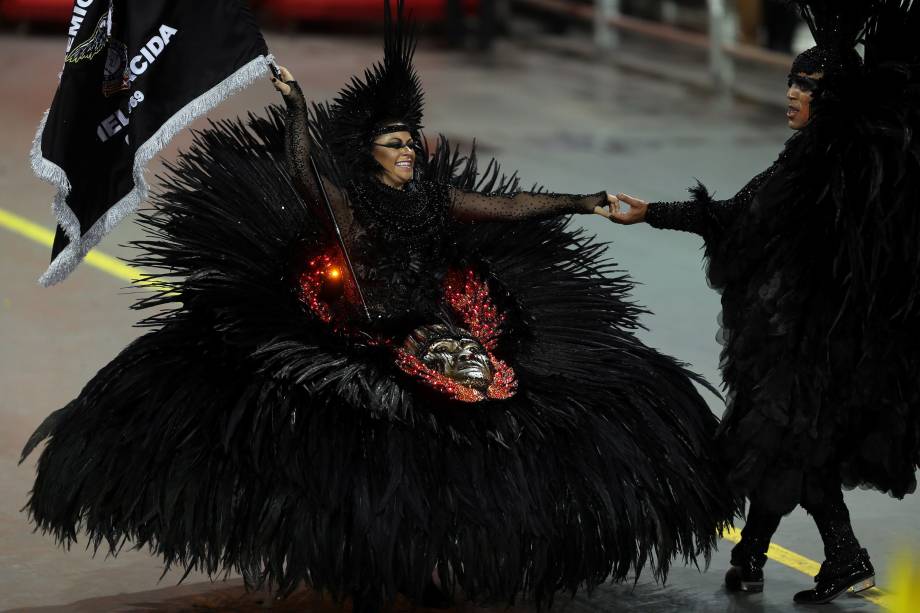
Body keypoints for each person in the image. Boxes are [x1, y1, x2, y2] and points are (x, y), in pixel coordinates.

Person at [20, 1, 738, 610]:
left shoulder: (432, 194)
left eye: (411, 141)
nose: (408, 150)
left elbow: (509, 204)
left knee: (486, 426)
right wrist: (298, 108)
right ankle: (373, 565)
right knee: (370, 455)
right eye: (396, 142)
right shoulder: (351, 205)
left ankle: (447, 553)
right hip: (361, 338)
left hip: (438, 328)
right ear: (371, 151)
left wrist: (582, 201)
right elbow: (304, 172)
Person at [610, 0, 920, 605]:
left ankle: (843, 557)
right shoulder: (817, 159)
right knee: (780, 446)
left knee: (785, 444)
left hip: (803, 343)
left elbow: (734, 217)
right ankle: (753, 554)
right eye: (792, 82)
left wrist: (651, 214)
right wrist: (651, 214)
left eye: (806, 86)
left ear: (833, 99)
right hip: (798, 335)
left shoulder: (824, 170)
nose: (792, 95)